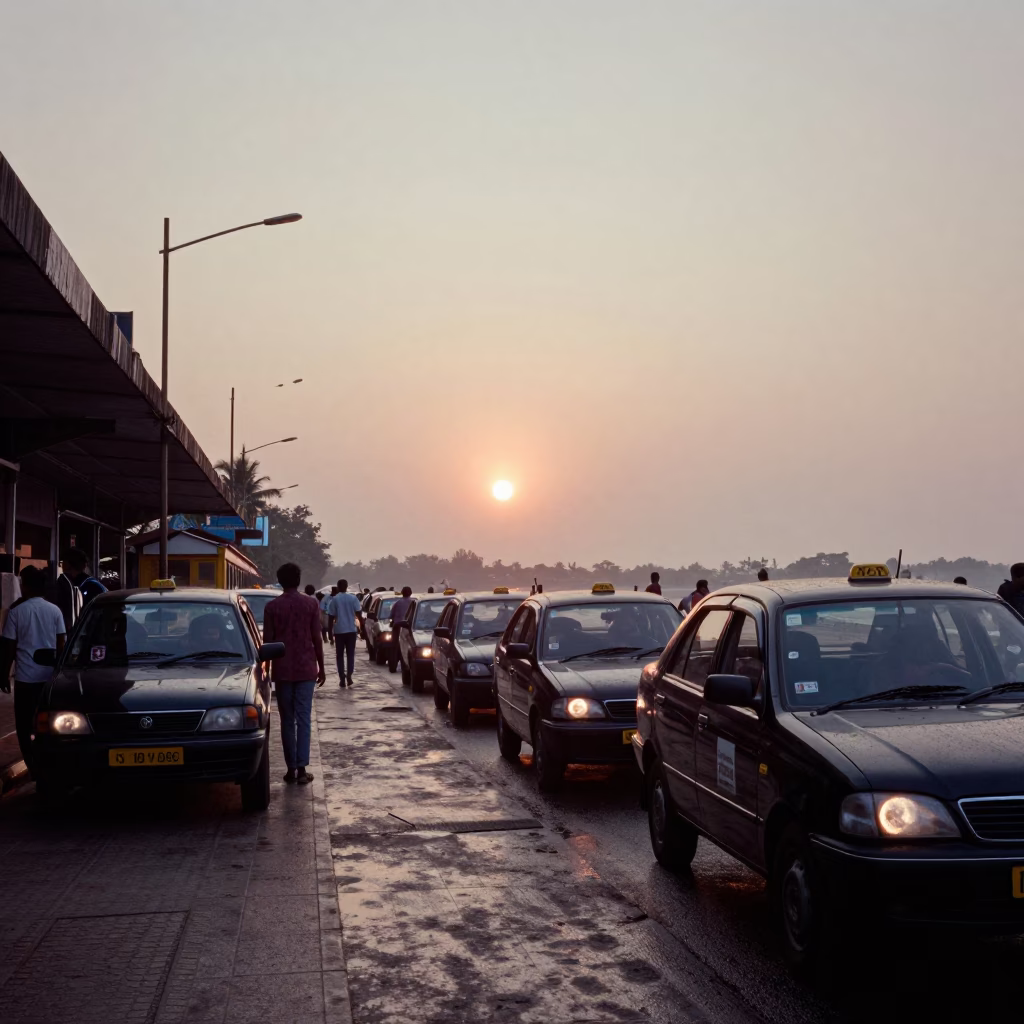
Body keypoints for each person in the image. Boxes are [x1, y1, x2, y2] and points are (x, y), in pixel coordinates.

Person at [262, 562, 325, 785]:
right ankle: (301, 768)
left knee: (286, 720)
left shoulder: (272, 607)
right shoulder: (311, 604)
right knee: (303, 719)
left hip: (283, 670)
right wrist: (322, 666)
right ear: (298, 580)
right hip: (306, 668)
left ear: (280, 581)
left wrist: (266, 672)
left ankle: (290, 769)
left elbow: (267, 642)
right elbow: (317, 637)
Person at [0, 566, 66, 775]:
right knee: (49, 725)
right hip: (48, 679)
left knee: (24, 726)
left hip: (25, 679)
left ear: (25, 586)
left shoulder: (16, 612)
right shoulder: (55, 610)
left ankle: (33, 766)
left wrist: (3, 675)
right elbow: (61, 645)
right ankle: (49, 764)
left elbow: (8, 648)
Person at [327, 579, 363, 688]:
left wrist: (330, 632)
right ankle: (349, 676)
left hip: (339, 631)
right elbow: (359, 614)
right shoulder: (353, 598)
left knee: (340, 656)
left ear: (338, 587)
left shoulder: (335, 600)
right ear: (347, 586)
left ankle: (342, 677)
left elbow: (330, 617)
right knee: (350, 655)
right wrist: (362, 629)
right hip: (351, 630)